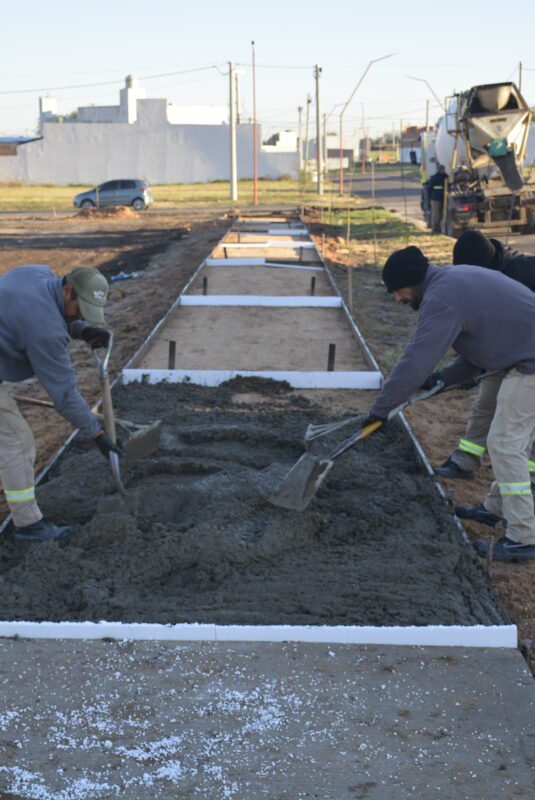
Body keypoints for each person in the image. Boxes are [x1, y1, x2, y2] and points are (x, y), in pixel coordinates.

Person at [361, 245, 535, 562]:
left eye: (396, 292)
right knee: (506, 438)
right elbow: (475, 353)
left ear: (410, 282)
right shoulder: (448, 281)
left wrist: (380, 409)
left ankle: (524, 537)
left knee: (505, 443)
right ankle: (496, 508)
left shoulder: (441, 299)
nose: (397, 300)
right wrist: (442, 378)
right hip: (520, 356)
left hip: (529, 364)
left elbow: (416, 361)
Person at [0, 265, 122, 542]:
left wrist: (80, 329)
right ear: (68, 291)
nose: (82, 316)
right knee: (18, 444)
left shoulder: (38, 274)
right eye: (81, 310)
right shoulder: (46, 332)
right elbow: (65, 396)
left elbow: (31, 311)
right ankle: (28, 526)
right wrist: (96, 433)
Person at [435, 229, 535, 480]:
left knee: (524, 420)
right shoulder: (480, 278)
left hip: (529, 358)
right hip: (506, 354)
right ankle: (465, 461)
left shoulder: (522, 273)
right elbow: (484, 334)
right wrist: (470, 368)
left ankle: (530, 476)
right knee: (486, 404)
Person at [428, 164, 448, 233]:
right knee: (436, 215)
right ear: (439, 170)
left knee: (441, 215)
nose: (443, 170)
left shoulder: (445, 177)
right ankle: (434, 229)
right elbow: (429, 188)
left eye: (444, 169)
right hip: (436, 199)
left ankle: (438, 229)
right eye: (442, 169)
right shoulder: (435, 177)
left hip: (442, 199)